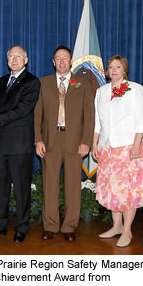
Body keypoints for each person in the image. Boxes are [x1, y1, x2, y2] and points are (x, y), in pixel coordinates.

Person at [0, 46, 40, 243]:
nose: (14, 59)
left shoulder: (32, 82)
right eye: (11, 56)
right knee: (0, 188)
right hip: (1, 144)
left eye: (18, 56)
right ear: (7, 59)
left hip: (20, 144)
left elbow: (22, 109)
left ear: (26, 60)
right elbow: (0, 107)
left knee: (22, 189)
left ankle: (21, 228)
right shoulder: (1, 81)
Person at [34, 46, 94, 242]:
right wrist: (38, 139)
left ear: (71, 61)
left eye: (65, 58)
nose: (61, 62)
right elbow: (37, 115)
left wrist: (86, 142)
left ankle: (69, 227)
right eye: (58, 58)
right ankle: (50, 226)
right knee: (49, 186)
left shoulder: (82, 83)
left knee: (72, 187)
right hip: (50, 141)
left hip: (74, 142)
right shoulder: (43, 83)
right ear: (53, 62)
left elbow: (89, 115)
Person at [92, 55, 143, 247]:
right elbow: (97, 122)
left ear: (124, 70)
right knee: (112, 190)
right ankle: (116, 226)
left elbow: (141, 120)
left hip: (128, 147)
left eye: (118, 67)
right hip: (107, 147)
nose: (114, 70)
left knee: (128, 190)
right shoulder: (101, 91)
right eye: (111, 67)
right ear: (107, 71)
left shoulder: (135, 89)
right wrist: (95, 144)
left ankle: (127, 230)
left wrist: (136, 145)